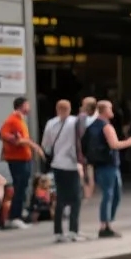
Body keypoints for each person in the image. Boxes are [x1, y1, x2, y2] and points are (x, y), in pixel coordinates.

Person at [83, 100, 131, 238]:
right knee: (111, 195)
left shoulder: (92, 126)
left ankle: (107, 222)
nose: (112, 110)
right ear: (104, 111)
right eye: (110, 108)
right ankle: (105, 225)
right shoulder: (106, 126)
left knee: (111, 195)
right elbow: (114, 144)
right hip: (109, 165)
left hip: (99, 165)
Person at [41, 99, 82, 241]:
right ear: (69, 109)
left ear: (57, 109)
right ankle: (73, 231)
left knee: (60, 199)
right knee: (76, 199)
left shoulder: (50, 123)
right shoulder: (75, 121)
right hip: (72, 165)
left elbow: (45, 146)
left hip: (57, 165)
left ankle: (58, 233)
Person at [0, 97, 44, 228]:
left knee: (23, 187)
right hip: (17, 159)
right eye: (27, 105)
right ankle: (14, 217)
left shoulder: (19, 120)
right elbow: (4, 135)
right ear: (22, 106)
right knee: (19, 187)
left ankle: (19, 214)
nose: (29, 108)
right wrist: (27, 143)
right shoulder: (12, 120)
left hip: (23, 158)